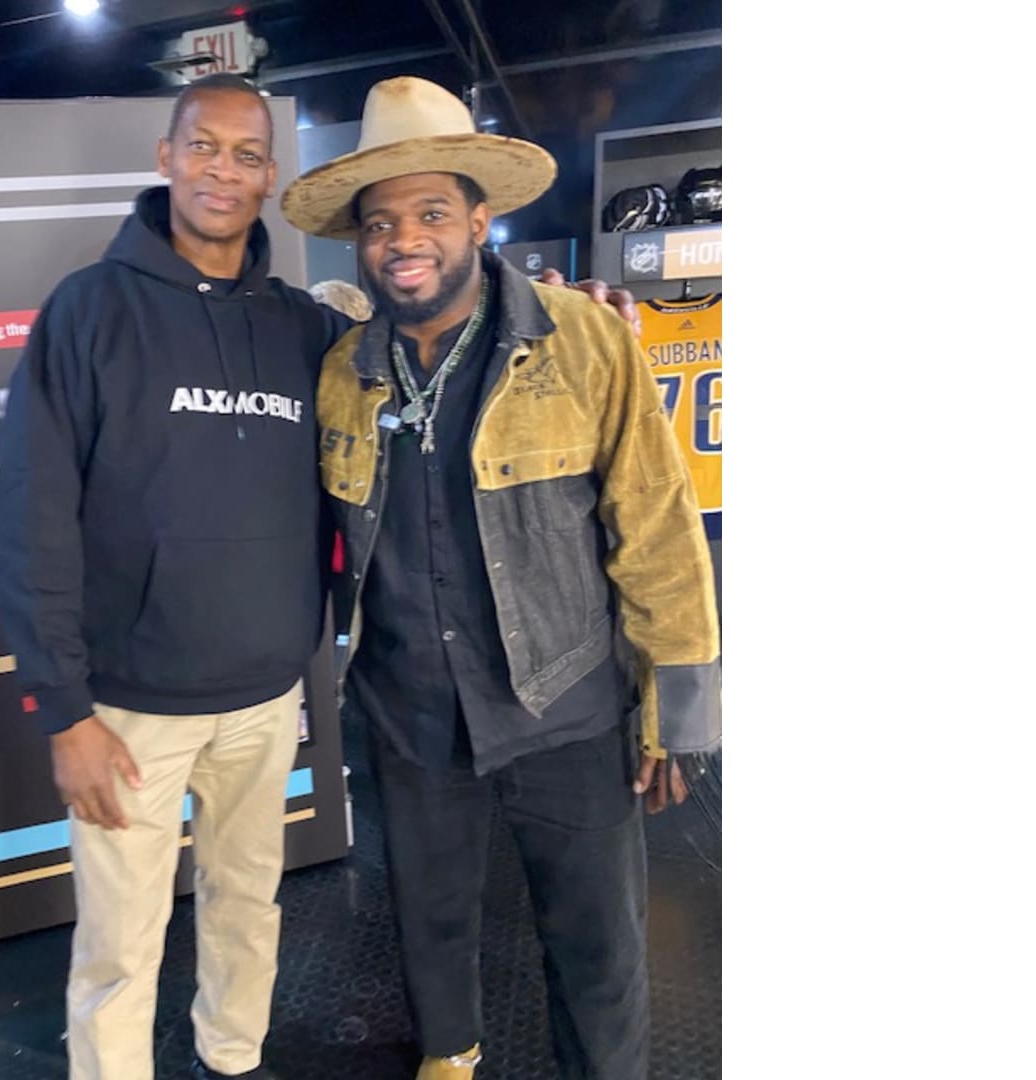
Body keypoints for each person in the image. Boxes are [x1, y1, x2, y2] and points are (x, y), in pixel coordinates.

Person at [0, 72, 645, 1080]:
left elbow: (445, 332)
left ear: (269, 176)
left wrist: (567, 310)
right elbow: (28, 515)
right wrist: (63, 710)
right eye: (203, 147)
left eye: (247, 154)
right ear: (166, 158)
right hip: (127, 713)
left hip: (266, 705)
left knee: (249, 908)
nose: (223, 170)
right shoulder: (88, 312)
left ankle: (232, 1059)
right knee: (119, 944)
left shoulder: (308, 333)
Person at [280, 76, 722, 1080]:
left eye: (432, 213)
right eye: (381, 222)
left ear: (479, 222)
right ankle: (450, 1059)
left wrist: (678, 715)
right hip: (410, 717)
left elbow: (659, 528)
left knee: (598, 950)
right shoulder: (343, 370)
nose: (405, 239)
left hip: (566, 709)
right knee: (429, 928)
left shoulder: (585, 339)